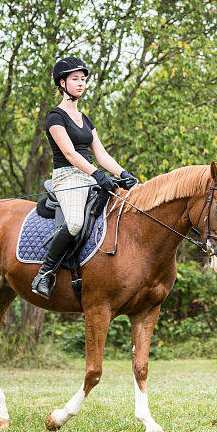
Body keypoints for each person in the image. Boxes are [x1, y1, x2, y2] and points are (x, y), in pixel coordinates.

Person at [31, 56, 138, 299]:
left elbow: (101, 154)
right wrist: (98, 175)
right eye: (75, 79)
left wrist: (122, 173)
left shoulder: (86, 120)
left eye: (83, 80)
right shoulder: (55, 117)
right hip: (67, 178)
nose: (80, 84)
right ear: (62, 83)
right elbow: (69, 153)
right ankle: (45, 273)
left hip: (89, 176)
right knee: (75, 224)